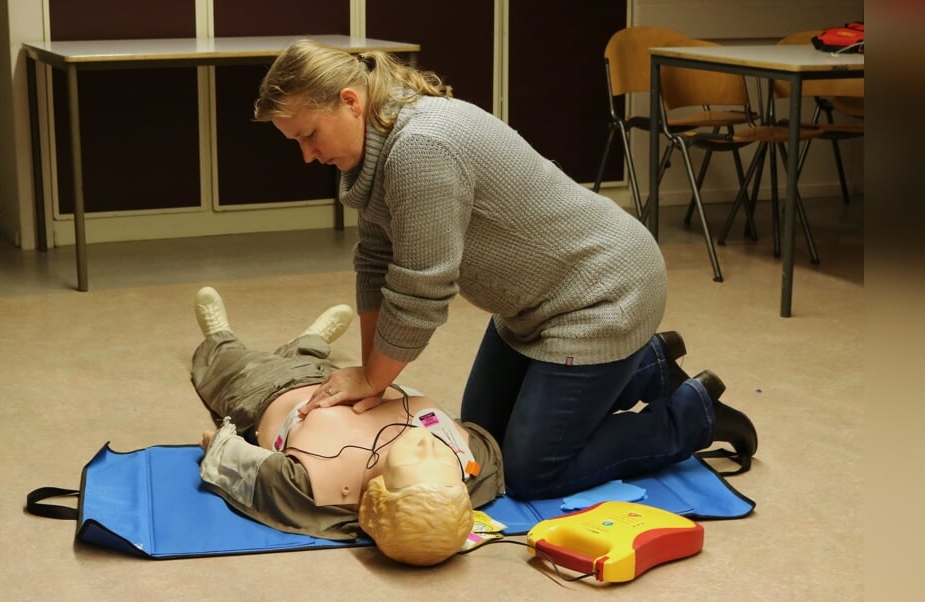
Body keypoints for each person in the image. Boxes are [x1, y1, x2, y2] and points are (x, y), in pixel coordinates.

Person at [252, 39, 758, 500]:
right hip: (534, 306)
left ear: (350, 101)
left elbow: (421, 289)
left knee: (528, 470)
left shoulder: (421, 147)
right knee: (483, 442)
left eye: (309, 135)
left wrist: (371, 376)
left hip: (604, 293)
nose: (307, 155)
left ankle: (694, 414)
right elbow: (375, 262)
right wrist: (371, 375)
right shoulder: (379, 148)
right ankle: (644, 364)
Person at [190, 286, 504, 566]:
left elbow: (236, 462)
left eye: (419, 460)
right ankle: (310, 342)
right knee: (308, 359)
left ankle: (220, 337)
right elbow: (485, 454)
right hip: (350, 381)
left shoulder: (310, 487)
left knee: (229, 366)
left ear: (380, 494)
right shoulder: (469, 470)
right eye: (446, 466)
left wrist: (214, 442)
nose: (427, 443)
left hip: (265, 390)